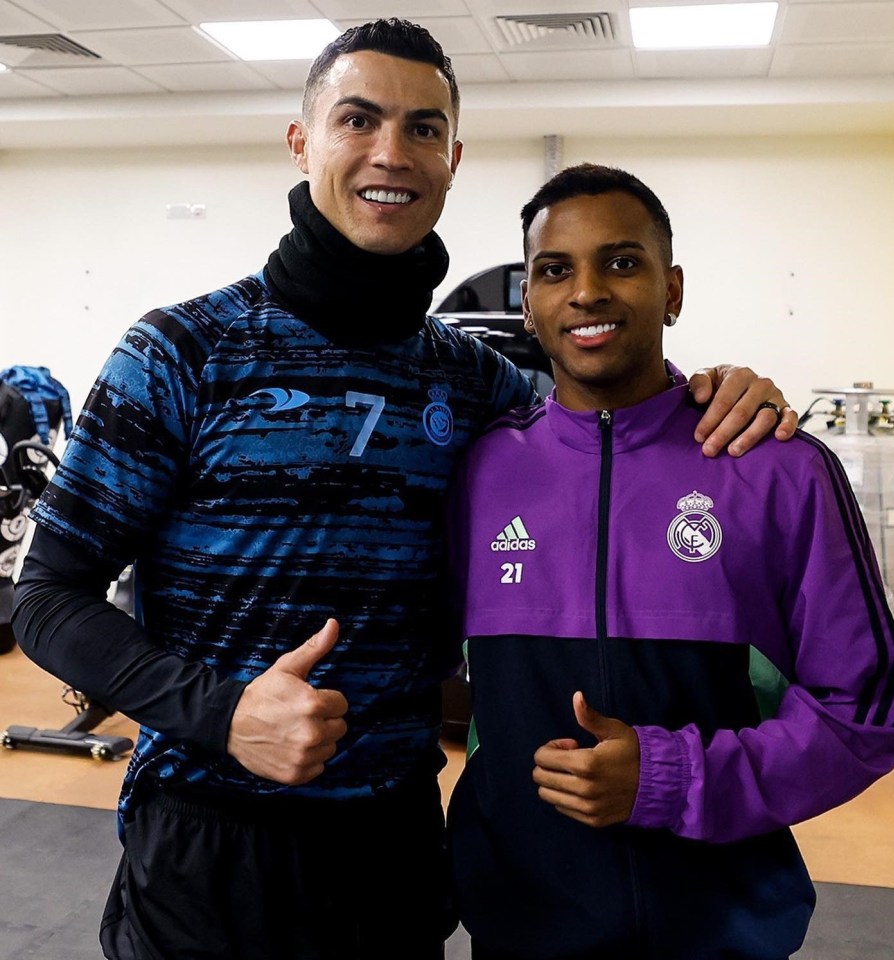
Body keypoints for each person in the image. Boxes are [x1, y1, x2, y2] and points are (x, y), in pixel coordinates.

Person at [13, 21, 795, 960]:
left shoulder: (472, 383)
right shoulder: (181, 352)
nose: (392, 152)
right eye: (358, 119)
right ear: (302, 142)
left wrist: (716, 393)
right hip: (211, 843)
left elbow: (606, 423)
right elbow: (46, 596)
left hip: (395, 843)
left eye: (423, 128)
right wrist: (221, 714)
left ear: (452, 158)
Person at [445, 162, 894, 960]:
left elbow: (865, 709)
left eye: (621, 262)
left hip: (720, 931)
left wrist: (672, 778)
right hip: (517, 927)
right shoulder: (477, 471)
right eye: (554, 270)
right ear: (527, 303)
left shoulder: (775, 467)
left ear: (671, 289)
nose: (587, 290)